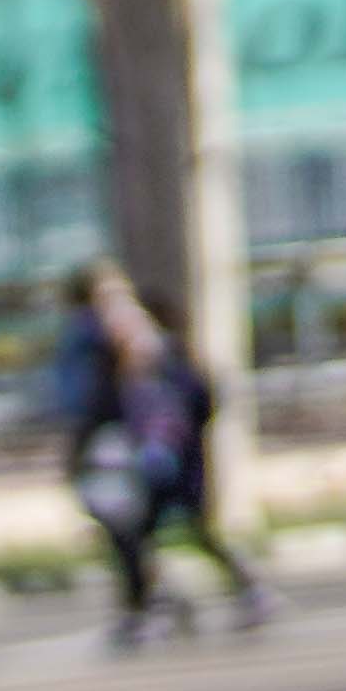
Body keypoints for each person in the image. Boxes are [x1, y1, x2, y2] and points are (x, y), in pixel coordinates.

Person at [52, 262, 267, 640]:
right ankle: (152, 604)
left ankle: (242, 588)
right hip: (129, 459)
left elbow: (202, 396)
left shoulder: (163, 352)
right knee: (132, 536)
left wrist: (180, 436)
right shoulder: (97, 354)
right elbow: (89, 408)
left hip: (173, 457)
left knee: (191, 528)